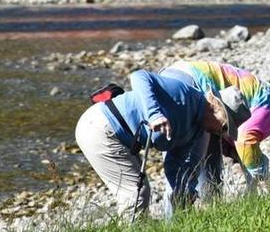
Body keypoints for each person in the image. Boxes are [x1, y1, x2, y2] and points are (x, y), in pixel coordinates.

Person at [75, 70, 250, 219]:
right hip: (99, 127)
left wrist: (184, 193)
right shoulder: (183, 94)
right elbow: (139, 76)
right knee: (135, 193)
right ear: (216, 108)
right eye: (225, 127)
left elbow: (175, 166)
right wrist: (154, 114)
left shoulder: (196, 131)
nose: (222, 134)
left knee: (145, 192)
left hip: (121, 137)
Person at [158, 61, 270, 211]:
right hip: (193, 86)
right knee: (182, 172)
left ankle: (210, 217)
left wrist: (234, 152)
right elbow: (246, 140)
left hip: (172, 75)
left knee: (203, 170)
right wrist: (263, 175)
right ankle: (174, 223)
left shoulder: (257, 90)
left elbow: (223, 129)